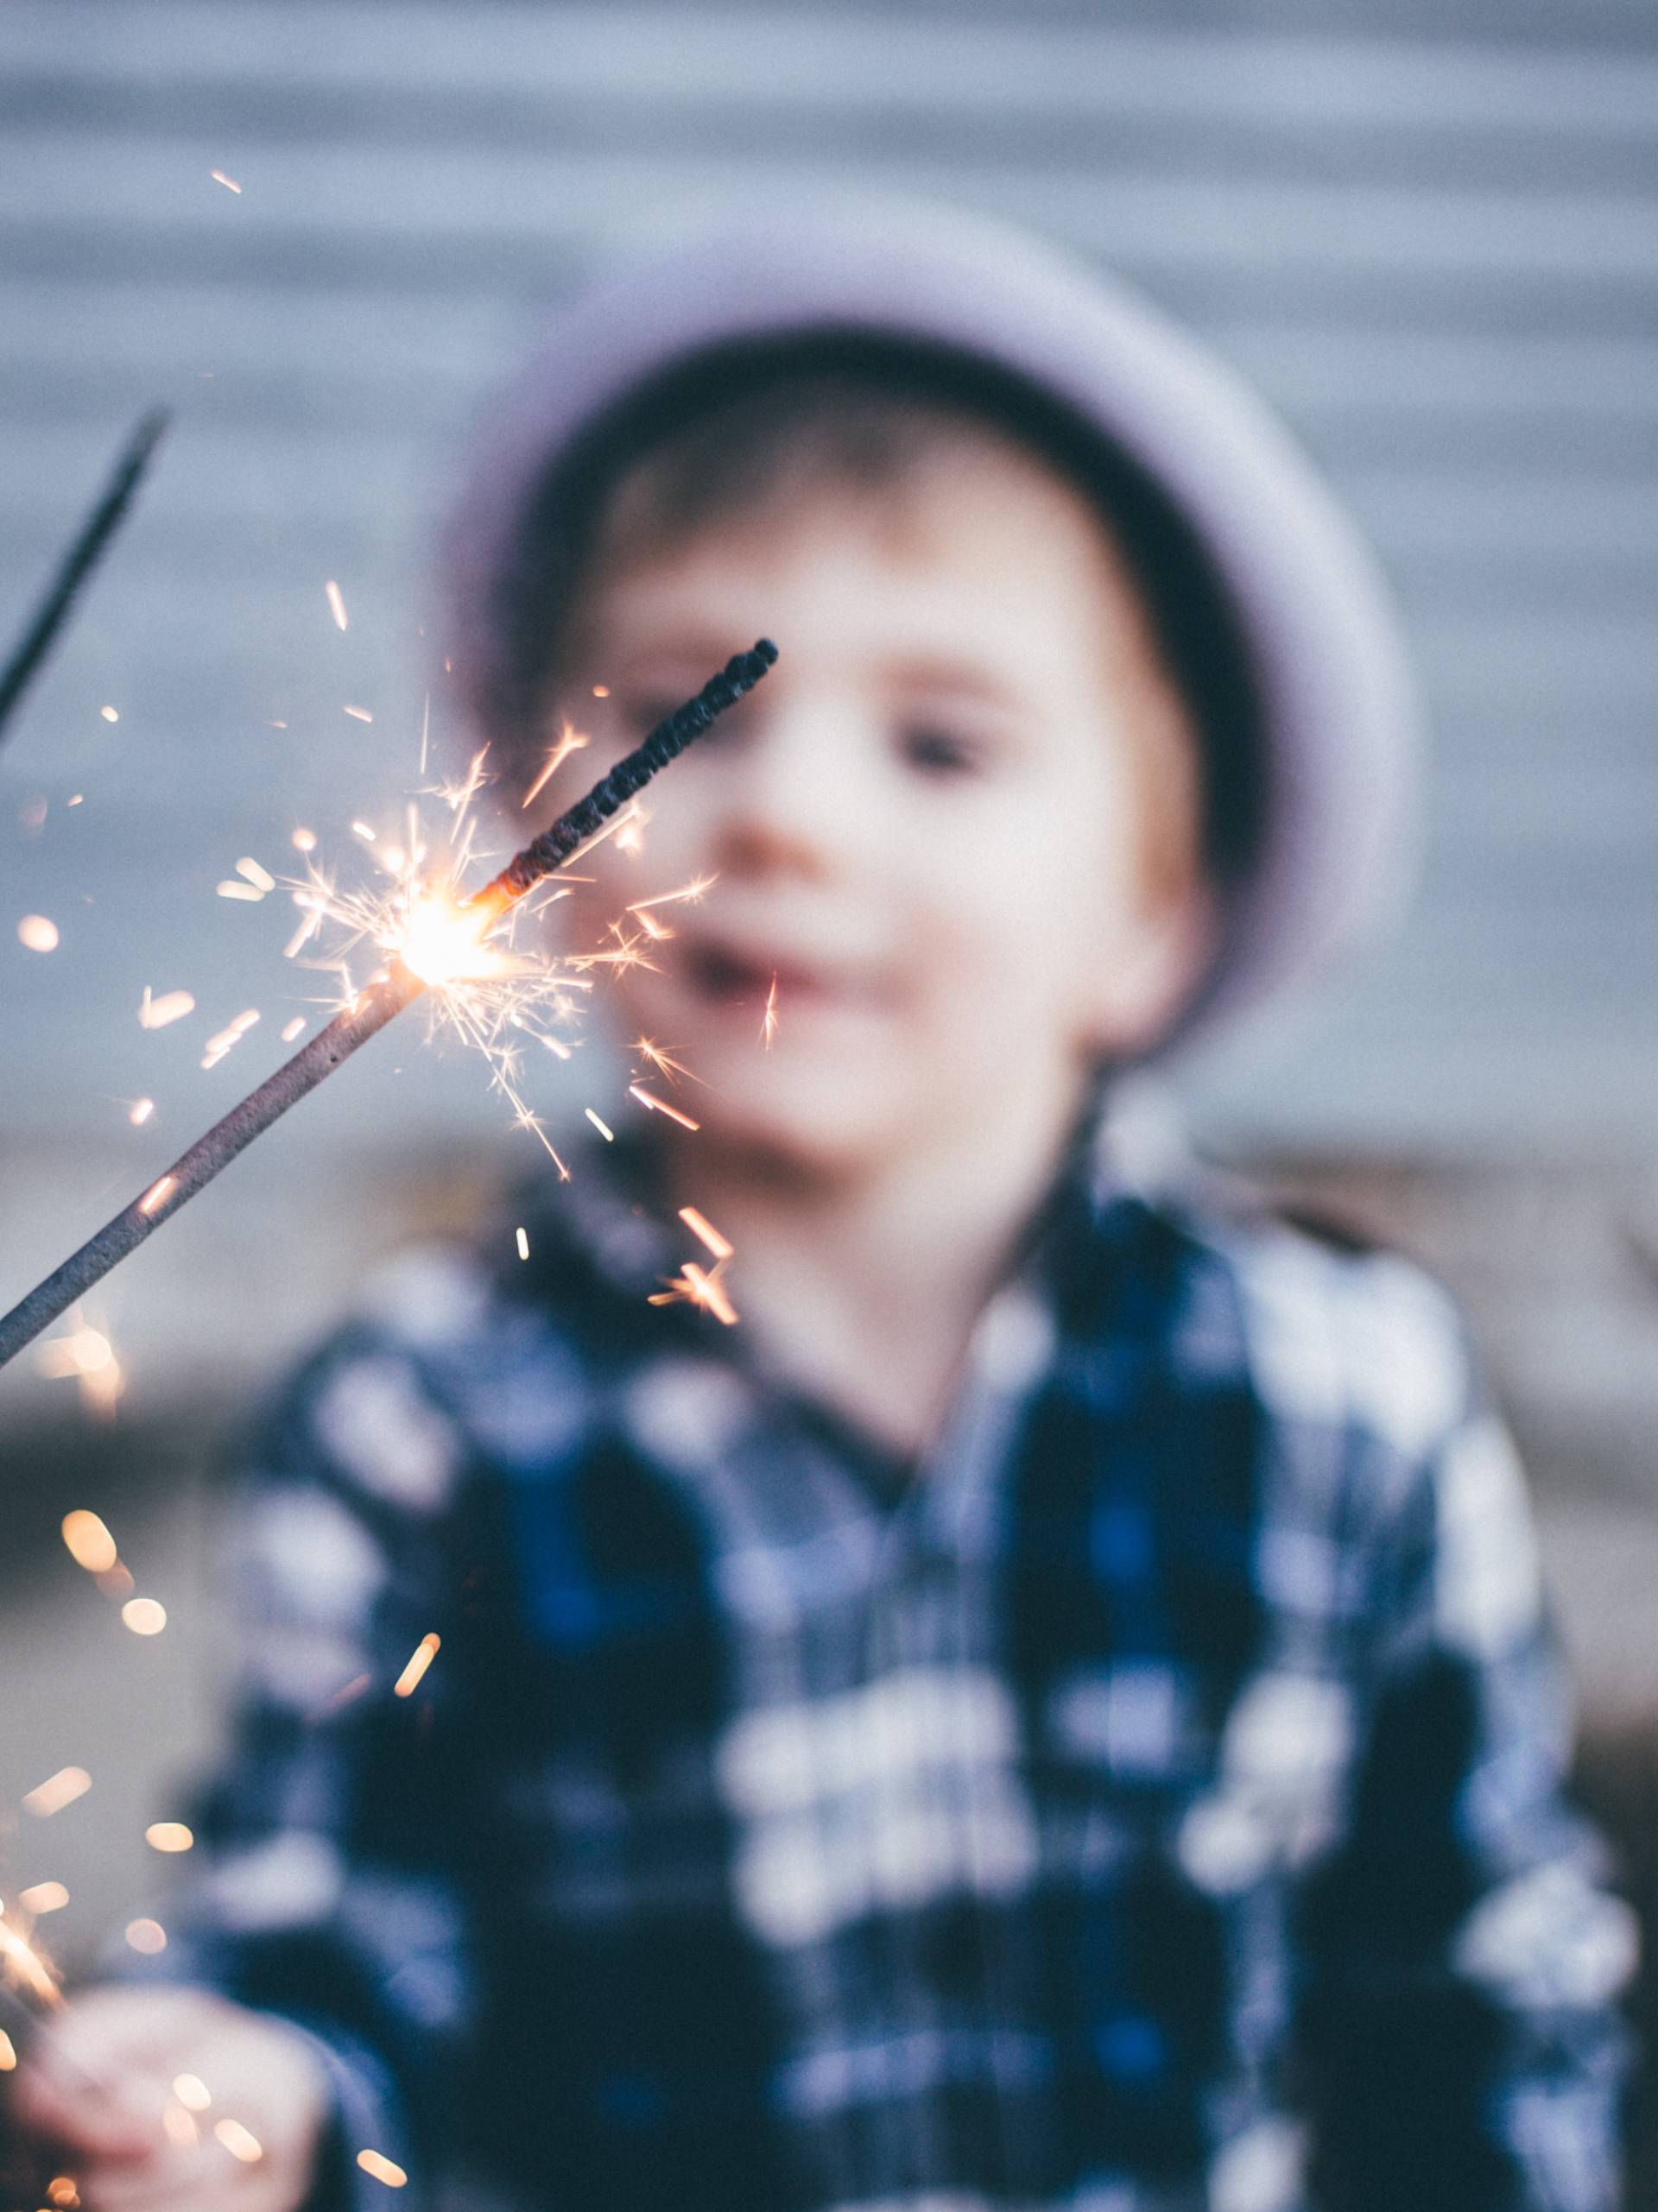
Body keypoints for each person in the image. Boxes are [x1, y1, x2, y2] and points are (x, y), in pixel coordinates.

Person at [5, 199, 1636, 2212]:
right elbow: (342, 1923)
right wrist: (257, 2079)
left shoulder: (1349, 1398)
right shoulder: (420, 1416)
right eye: (687, 710)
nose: (783, 812)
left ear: (1153, 915)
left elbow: (1476, 2000)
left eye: (941, 744)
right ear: (539, 830)